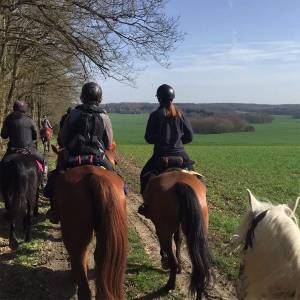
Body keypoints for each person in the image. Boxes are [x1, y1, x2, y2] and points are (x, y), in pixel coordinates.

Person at [44, 82, 114, 223]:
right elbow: (108, 143)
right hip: (98, 158)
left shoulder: (73, 114)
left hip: (74, 157)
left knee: (55, 178)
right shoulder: (105, 117)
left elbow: (63, 139)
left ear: (82, 97)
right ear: (99, 98)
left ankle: (55, 209)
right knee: (115, 176)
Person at [140, 84, 194, 194]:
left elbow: (149, 138)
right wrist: (177, 141)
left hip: (161, 156)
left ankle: (145, 204)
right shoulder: (180, 115)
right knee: (197, 179)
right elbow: (190, 137)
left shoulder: (155, 115)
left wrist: (160, 139)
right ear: (172, 97)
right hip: (182, 157)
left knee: (144, 175)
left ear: (159, 98)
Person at [1, 100, 44, 164]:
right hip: (30, 150)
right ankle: (45, 173)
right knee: (43, 161)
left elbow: (3, 136)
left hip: (12, 150)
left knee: (2, 166)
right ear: (25, 109)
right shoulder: (30, 120)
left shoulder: (8, 119)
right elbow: (35, 136)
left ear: (14, 108)